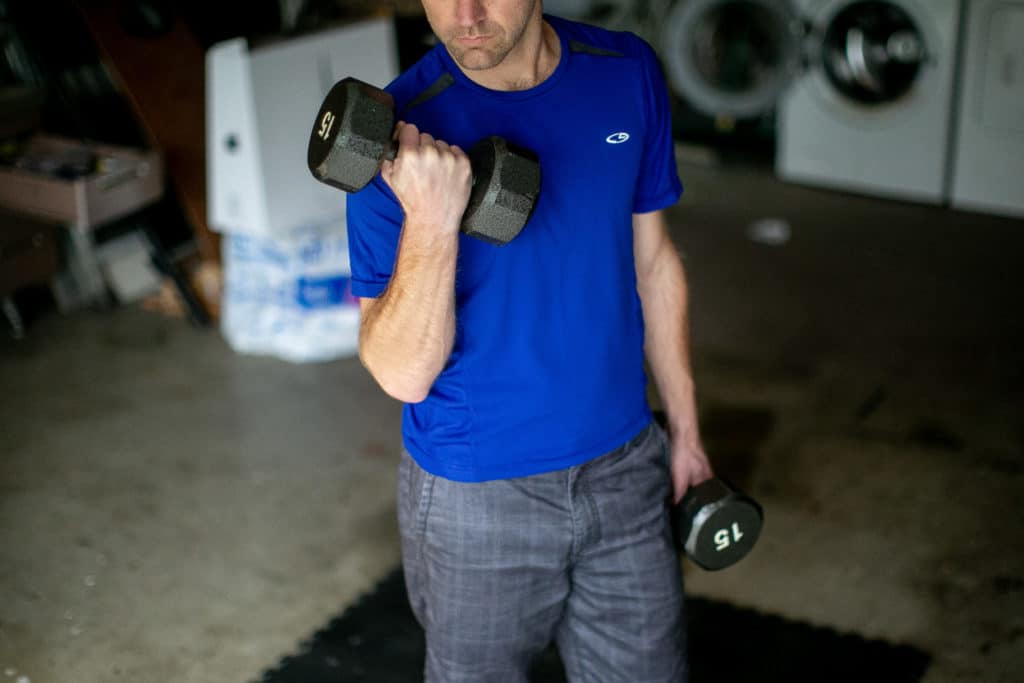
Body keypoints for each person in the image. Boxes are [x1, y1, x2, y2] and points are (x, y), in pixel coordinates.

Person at [345, 1, 712, 680]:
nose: (466, 12)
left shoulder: (624, 72)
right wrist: (430, 217)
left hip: (627, 465)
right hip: (476, 497)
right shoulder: (393, 140)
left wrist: (684, 431)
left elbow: (653, 261)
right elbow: (403, 376)